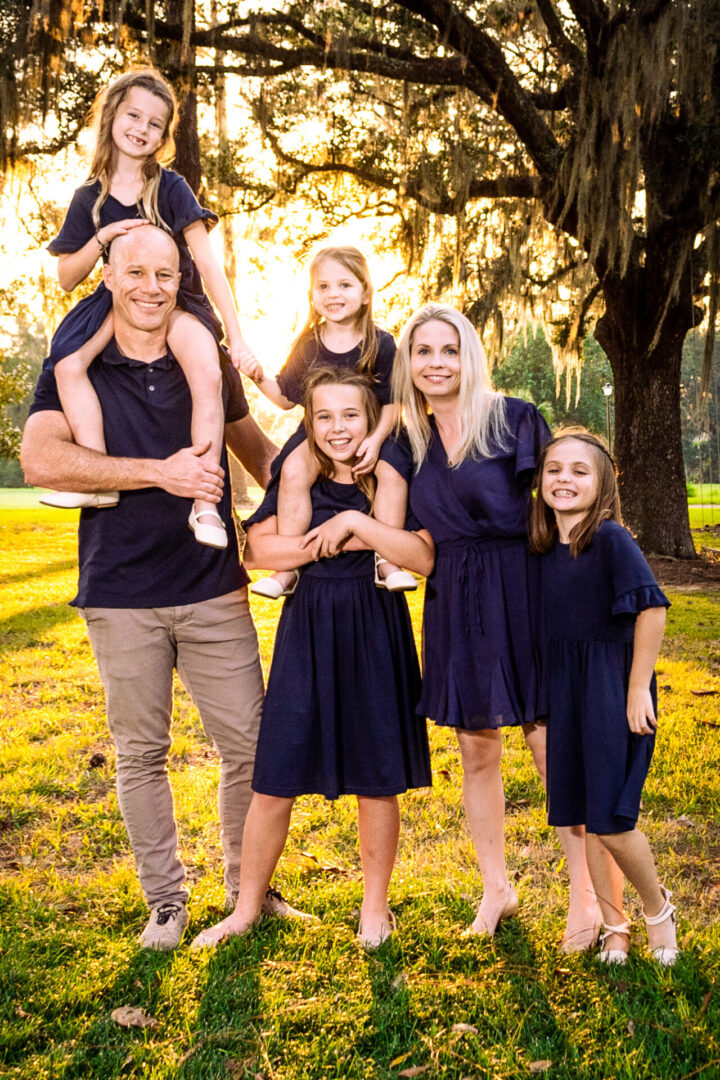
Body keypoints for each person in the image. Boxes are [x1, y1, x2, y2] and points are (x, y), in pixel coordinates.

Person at [20, 224, 302, 951]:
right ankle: (166, 904)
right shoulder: (75, 363)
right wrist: (160, 472)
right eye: (135, 271)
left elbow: (259, 451)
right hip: (118, 589)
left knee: (251, 743)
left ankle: (252, 892)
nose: (150, 286)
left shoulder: (201, 356)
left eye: (166, 274)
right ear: (107, 275)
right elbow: (42, 460)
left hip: (211, 583)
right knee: (141, 752)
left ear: (181, 281)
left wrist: (331, 501)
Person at [190, 367, 434, 951]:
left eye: (351, 415)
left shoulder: (395, 465)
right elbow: (258, 552)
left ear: (372, 418)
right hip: (309, 622)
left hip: (375, 619)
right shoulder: (296, 469)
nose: (337, 427)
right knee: (275, 773)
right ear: (308, 422)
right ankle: (248, 907)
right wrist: (332, 540)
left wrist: (354, 524)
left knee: (378, 776)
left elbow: (422, 555)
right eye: (323, 416)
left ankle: (375, 908)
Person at [390, 303, 598, 949]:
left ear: (469, 355)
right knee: (476, 750)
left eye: (448, 350)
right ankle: (496, 888)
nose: (436, 363)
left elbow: (568, 502)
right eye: (422, 351)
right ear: (409, 363)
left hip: (524, 587)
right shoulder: (407, 441)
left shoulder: (513, 419)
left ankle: (586, 899)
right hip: (454, 595)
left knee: (547, 747)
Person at [40, 68, 259, 550]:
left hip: (175, 301)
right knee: (69, 363)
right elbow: (66, 277)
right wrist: (102, 237)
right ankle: (96, 481)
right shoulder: (89, 199)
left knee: (206, 372)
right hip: (116, 301)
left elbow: (206, 261)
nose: (142, 128)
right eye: (134, 115)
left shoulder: (171, 187)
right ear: (113, 116)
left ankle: (204, 503)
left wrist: (236, 336)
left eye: (155, 123)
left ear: (164, 136)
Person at [529, 430, 679, 965]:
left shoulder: (611, 540)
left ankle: (658, 911)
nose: (564, 479)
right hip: (563, 694)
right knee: (584, 816)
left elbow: (652, 609)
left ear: (603, 484)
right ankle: (614, 930)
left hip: (610, 689)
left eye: (578, 471)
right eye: (554, 470)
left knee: (613, 819)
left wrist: (638, 686)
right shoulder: (544, 549)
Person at [249, 245, 416, 597]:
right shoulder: (308, 344)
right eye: (323, 287)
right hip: (317, 434)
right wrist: (257, 376)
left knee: (391, 471)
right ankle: (289, 566)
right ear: (312, 296)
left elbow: (393, 401)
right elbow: (283, 398)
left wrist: (376, 440)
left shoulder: (380, 343)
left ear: (365, 292)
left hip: (374, 431)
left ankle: (386, 560)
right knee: (293, 471)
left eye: (344, 285)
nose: (333, 294)